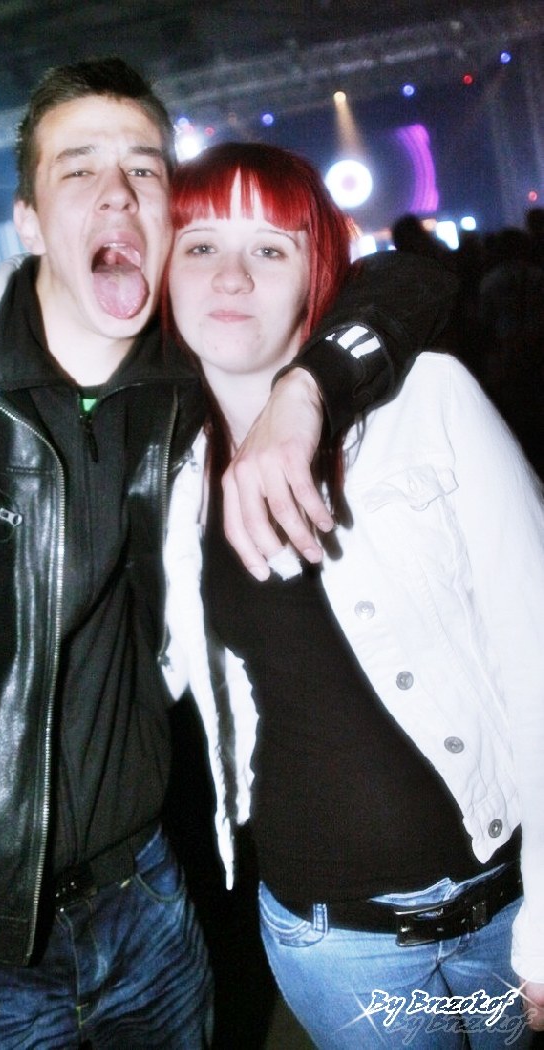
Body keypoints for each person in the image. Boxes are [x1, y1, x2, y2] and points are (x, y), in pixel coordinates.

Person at [0, 59, 455, 1050]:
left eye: (143, 167)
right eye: (78, 168)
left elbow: (411, 275)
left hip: (150, 904)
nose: (118, 192)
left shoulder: (186, 378)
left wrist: (307, 391)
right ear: (29, 220)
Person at [162, 142, 544, 1049]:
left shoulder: (428, 402)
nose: (231, 276)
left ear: (315, 274)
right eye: (201, 246)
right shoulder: (164, 474)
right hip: (330, 944)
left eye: (270, 248)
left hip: (502, 909)